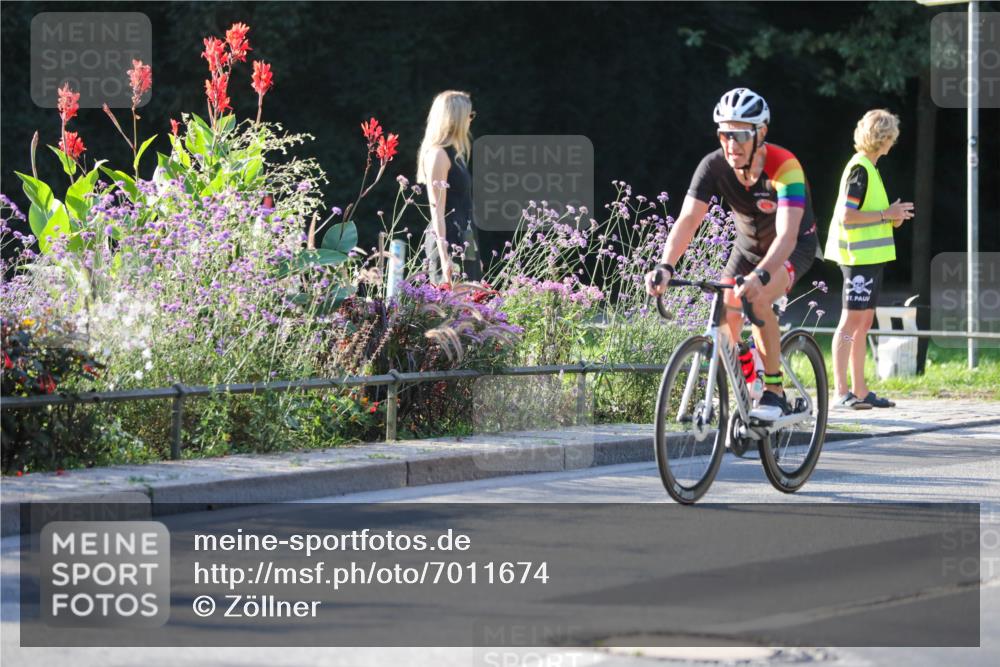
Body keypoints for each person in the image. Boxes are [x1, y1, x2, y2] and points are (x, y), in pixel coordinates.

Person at [644, 87, 819, 421]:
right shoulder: (713, 165)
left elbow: (787, 234)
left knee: (758, 299)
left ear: (760, 133)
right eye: (724, 134)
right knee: (725, 317)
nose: (731, 144)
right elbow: (689, 219)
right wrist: (665, 265)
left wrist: (761, 276)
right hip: (747, 247)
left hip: (792, 248)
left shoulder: (786, 168)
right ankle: (746, 380)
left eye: (739, 135)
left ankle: (774, 392)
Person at [825, 109, 914, 409]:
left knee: (863, 322)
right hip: (857, 258)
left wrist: (893, 216)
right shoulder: (860, 169)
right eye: (892, 137)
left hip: (870, 259)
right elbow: (848, 216)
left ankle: (860, 391)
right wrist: (885, 214)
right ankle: (841, 392)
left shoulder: (870, 168)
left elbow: (873, 215)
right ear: (884, 138)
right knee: (850, 322)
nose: (894, 141)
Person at [416, 90, 483, 285]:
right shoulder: (438, 156)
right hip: (449, 243)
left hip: (466, 241)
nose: (470, 120)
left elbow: (464, 207)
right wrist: (445, 257)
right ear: (455, 119)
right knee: (452, 312)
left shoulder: (456, 155)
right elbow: (437, 211)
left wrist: (475, 255)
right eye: (468, 115)